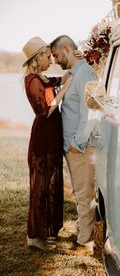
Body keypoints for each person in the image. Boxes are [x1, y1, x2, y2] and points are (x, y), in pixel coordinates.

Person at [22, 36, 73, 251]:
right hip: (43, 138)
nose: (50, 61)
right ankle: (35, 236)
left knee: (50, 184)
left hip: (51, 136)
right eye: (47, 56)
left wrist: (74, 64)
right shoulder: (33, 81)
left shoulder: (41, 78)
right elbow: (45, 110)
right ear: (37, 58)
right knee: (41, 187)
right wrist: (65, 89)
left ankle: (47, 232)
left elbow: (60, 80)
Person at [50, 35, 98, 255]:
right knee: (81, 192)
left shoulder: (85, 74)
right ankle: (82, 231)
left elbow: (91, 112)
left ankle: (85, 243)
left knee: (84, 194)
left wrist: (76, 144)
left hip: (81, 147)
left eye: (57, 55)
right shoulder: (74, 73)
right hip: (74, 147)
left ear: (68, 49)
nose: (55, 61)